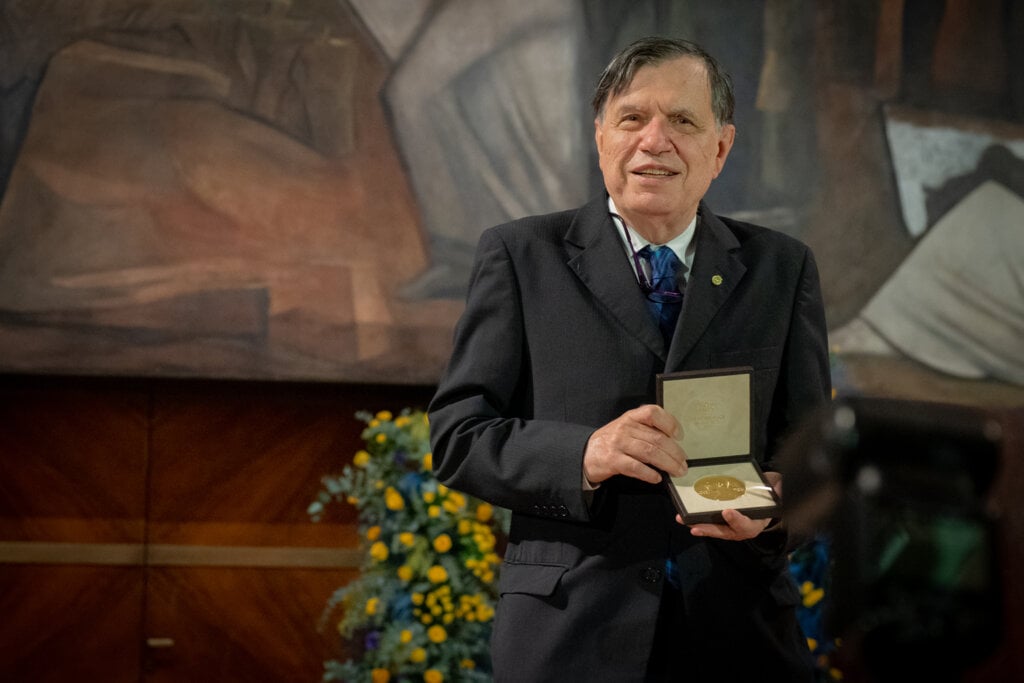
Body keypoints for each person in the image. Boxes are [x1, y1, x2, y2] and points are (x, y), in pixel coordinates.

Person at [428, 36, 831, 682]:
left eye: (682, 121)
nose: (655, 140)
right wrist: (585, 454)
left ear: (720, 148)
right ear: (600, 137)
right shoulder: (520, 256)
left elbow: (814, 453)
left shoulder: (780, 269)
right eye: (633, 118)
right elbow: (457, 435)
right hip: (569, 635)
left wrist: (783, 502)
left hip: (741, 634)